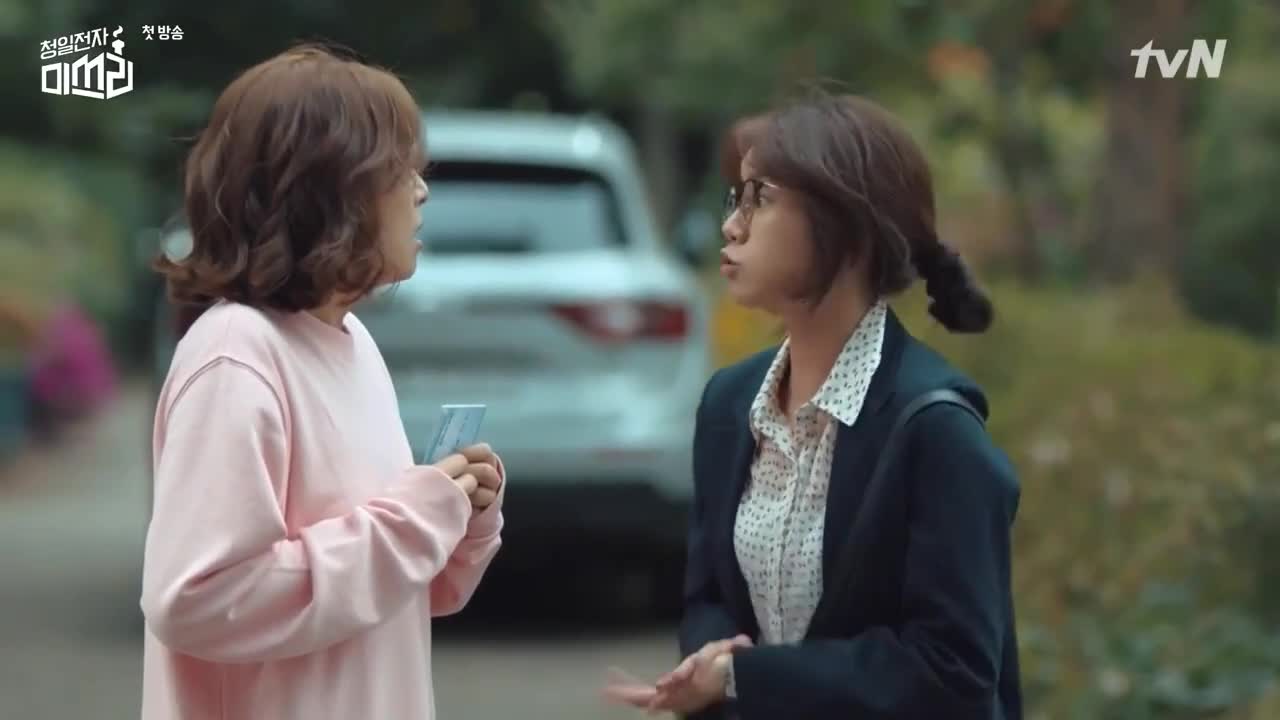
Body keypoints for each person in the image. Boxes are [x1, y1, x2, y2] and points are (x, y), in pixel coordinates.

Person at [604, 91, 1022, 719]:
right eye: (736, 198)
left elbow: (951, 669)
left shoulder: (936, 429)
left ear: (847, 225)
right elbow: (708, 599)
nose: (733, 225)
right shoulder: (729, 405)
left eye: (761, 198)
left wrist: (744, 677)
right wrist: (713, 660)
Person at [140, 44, 505, 720]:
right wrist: (416, 520)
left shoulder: (351, 340)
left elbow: (382, 591)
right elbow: (196, 600)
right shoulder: (235, 358)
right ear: (329, 191)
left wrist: (456, 517)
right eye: (398, 170)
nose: (421, 190)